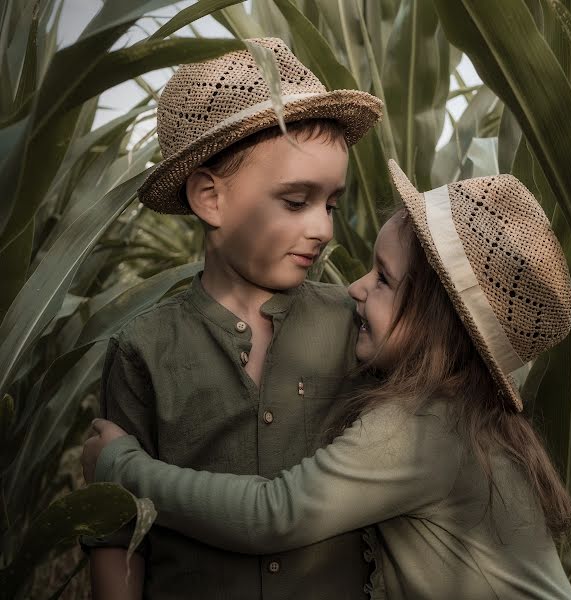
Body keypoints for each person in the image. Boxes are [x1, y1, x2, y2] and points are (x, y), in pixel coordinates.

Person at [85, 159, 571, 599]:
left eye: (383, 279)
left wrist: (120, 466)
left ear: (437, 325)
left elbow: (272, 515)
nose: (356, 287)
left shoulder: (422, 430)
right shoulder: (464, 414)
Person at [83, 37, 384, 599]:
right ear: (209, 198)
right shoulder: (143, 349)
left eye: (331, 205)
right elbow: (117, 531)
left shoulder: (355, 329)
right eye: (296, 202)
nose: (323, 228)